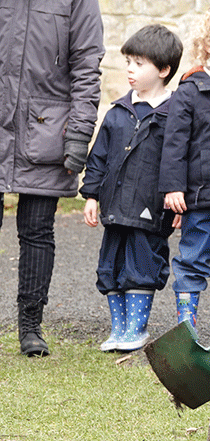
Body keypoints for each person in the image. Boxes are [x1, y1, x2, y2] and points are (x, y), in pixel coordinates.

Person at [0, 0, 104, 357]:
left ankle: (31, 327)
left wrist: (78, 133)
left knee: (37, 229)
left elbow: (87, 65)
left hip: (45, 126)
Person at [80, 25, 183, 352]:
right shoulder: (117, 112)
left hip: (152, 209)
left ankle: (136, 330)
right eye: (128, 62)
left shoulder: (176, 114)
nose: (129, 70)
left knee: (142, 267)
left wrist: (183, 199)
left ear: (163, 70)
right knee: (110, 267)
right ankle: (119, 330)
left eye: (139, 63)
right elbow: (98, 156)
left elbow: (182, 160)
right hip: (114, 207)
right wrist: (92, 195)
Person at [160, 5, 210, 329]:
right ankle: (187, 324)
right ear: (209, 45)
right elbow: (175, 143)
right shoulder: (191, 90)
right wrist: (173, 187)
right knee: (192, 259)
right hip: (202, 196)